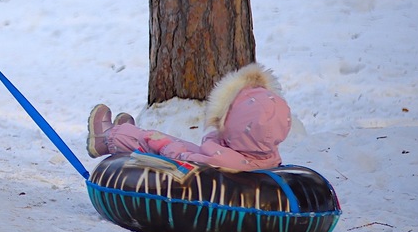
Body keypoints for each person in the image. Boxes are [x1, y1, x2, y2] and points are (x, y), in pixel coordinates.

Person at [86, 62, 292, 171]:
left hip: (185, 164)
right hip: (226, 152)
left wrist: (164, 146)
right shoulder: (267, 155)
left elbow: (183, 160)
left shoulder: (220, 160)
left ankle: (107, 138)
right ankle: (126, 135)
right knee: (157, 139)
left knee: (157, 141)